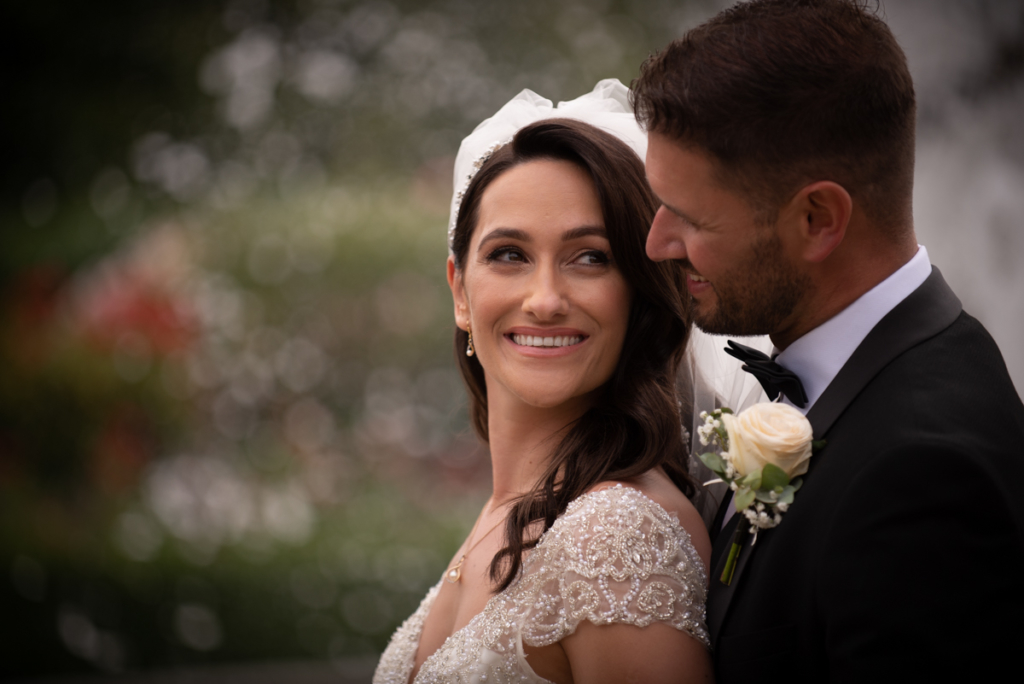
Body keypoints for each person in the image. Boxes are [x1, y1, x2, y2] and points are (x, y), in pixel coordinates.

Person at [631, 0, 1024, 681]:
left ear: (818, 219)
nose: (656, 242)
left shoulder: (923, 474)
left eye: (690, 218)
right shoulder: (865, 379)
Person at [373, 81, 714, 683]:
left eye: (590, 258)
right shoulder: (508, 508)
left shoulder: (614, 535)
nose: (546, 300)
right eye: (509, 254)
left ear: (638, 293)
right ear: (459, 289)